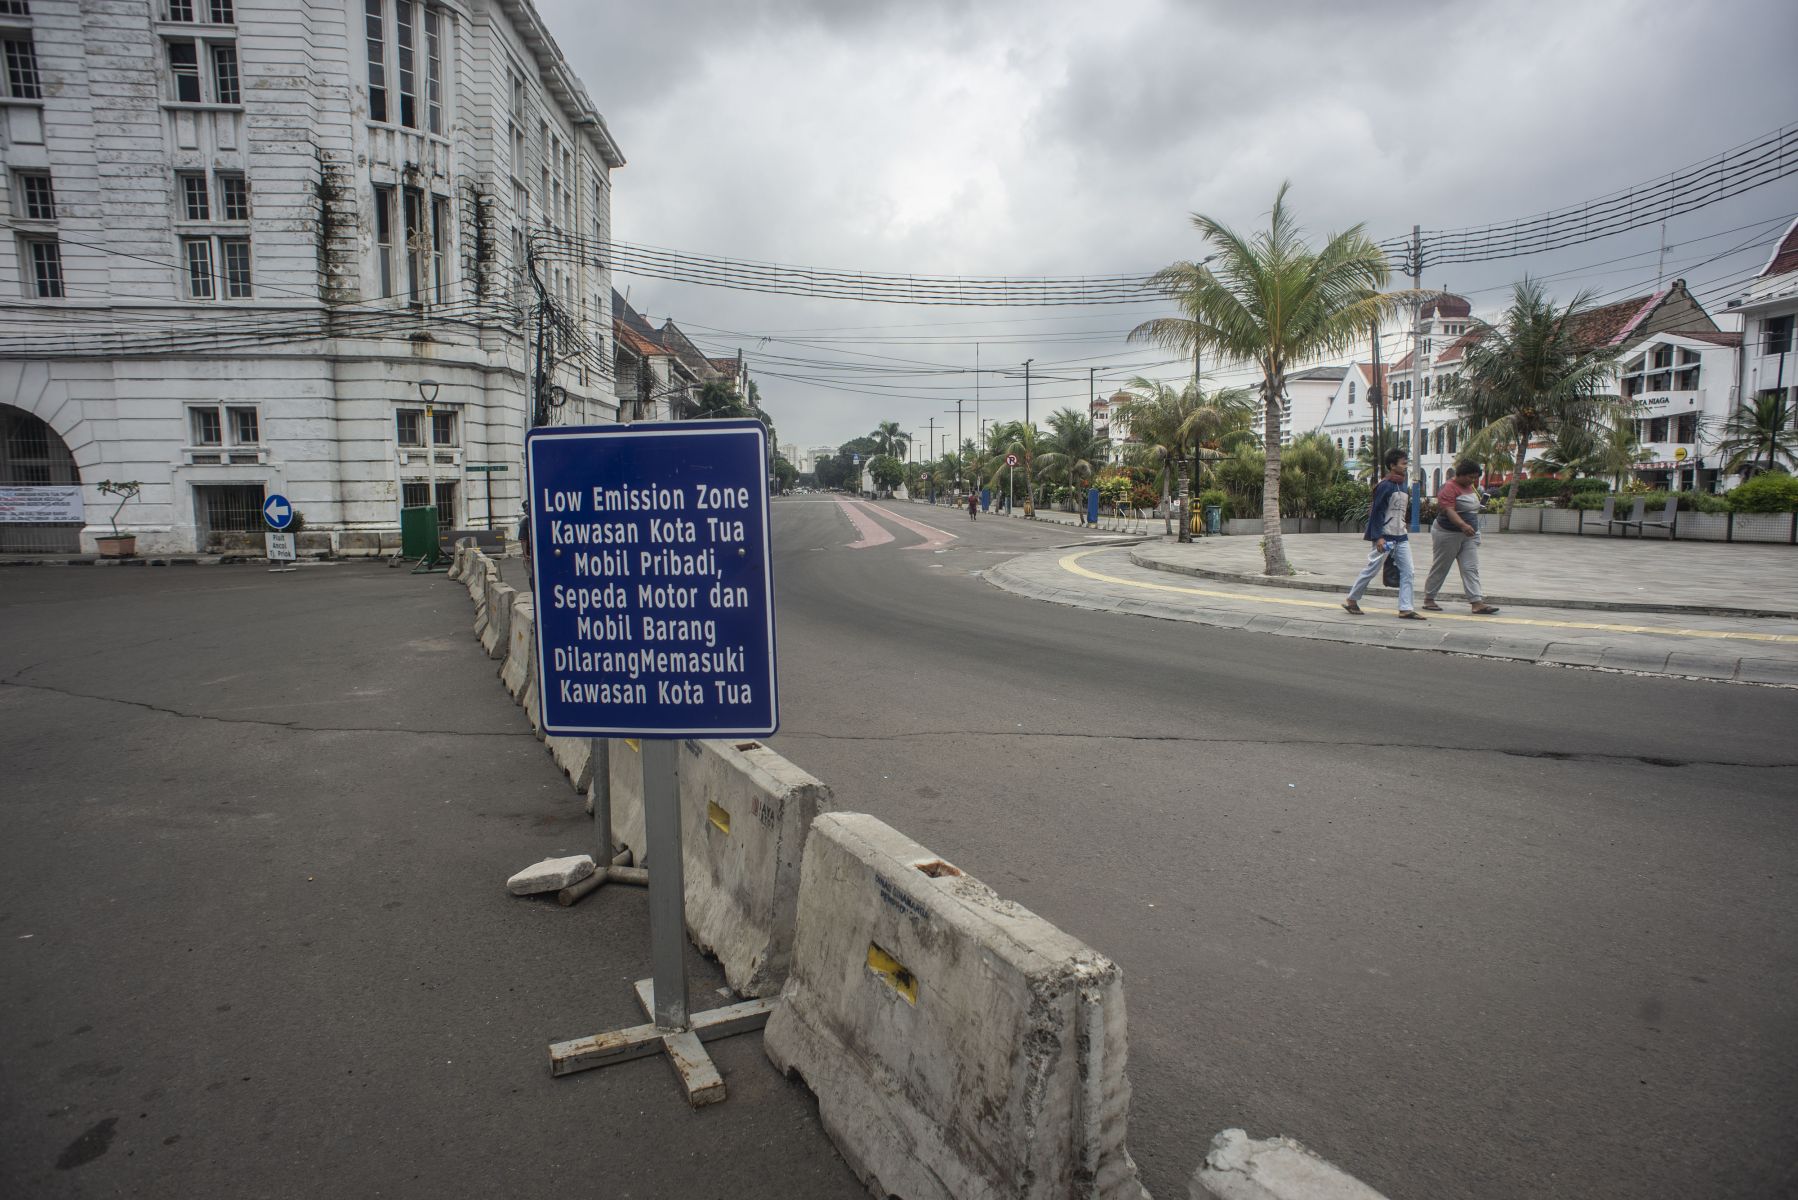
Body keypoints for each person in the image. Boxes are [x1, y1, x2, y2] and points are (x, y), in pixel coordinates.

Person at [1343, 449, 1424, 619]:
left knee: (1408, 571)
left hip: (1401, 537)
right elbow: (1377, 513)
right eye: (1403, 463)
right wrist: (1378, 537)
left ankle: (1406, 608)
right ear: (1392, 465)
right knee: (1372, 569)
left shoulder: (1402, 485)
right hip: (1385, 537)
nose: (1405, 466)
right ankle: (1352, 599)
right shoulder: (1384, 486)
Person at [1423, 459, 1500, 615]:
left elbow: (1473, 508)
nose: (1472, 481)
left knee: (1470, 568)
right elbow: (1449, 510)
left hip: (1468, 536)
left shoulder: (1469, 487)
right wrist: (1462, 525)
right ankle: (1429, 598)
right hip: (1447, 533)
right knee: (1442, 566)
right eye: (1470, 477)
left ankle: (1477, 602)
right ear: (1460, 474)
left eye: (1475, 478)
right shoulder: (1448, 488)